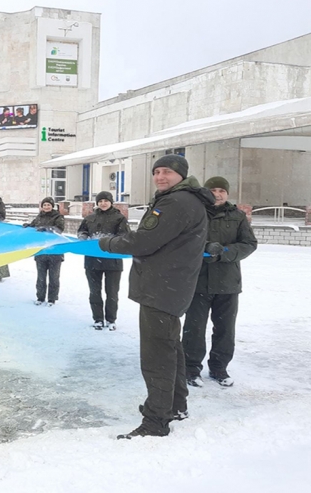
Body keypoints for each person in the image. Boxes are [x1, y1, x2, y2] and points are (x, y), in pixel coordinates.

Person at [99, 154, 215, 439]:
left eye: (167, 172)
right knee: (170, 348)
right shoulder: (185, 200)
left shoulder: (176, 202)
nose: (160, 177)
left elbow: (144, 241)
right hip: (171, 286)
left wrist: (105, 242)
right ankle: (176, 405)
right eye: (157, 172)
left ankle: (155, 422)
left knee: (156, 356)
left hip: (162, 288)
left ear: (181, 175)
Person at [183, 176, 258, 388]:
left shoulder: (238, 216)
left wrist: (224, 252)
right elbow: (184, 240)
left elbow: (249, 243)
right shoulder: (195, 213)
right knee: (194, 328)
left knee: (225, 328)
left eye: (222, 190)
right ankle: (190, 369)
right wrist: (205, 246)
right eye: (213, 190)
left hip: (228, 282)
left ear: (227, 193)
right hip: (198, 280)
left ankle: (219, 368)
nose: (217, 194)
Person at [77, 191, 130, 330]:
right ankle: (98, 319)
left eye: (106, 201)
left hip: (113, 262)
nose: (103, 203)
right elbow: (82, 231)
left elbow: (124, 236)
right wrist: (82, 237)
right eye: (100, 201)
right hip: (92, 261)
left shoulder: (119, 218)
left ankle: (111, 319)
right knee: (94, 292)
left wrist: (110, 241)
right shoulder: (90, 218)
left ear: (111, 202)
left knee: (112, 292)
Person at [23, 197, 65, 305]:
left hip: (55, 251)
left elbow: (59, 229)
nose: (46, 207)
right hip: (41, 250)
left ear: (52, 206)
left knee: (54, 277)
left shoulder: (58, 217)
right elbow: (33, 226)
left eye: (48, 205)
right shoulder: (39, 217)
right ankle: (40, 297)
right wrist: (28, 226)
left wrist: (47, 229)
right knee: (41, 277)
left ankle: (52, 298)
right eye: (44, 205)